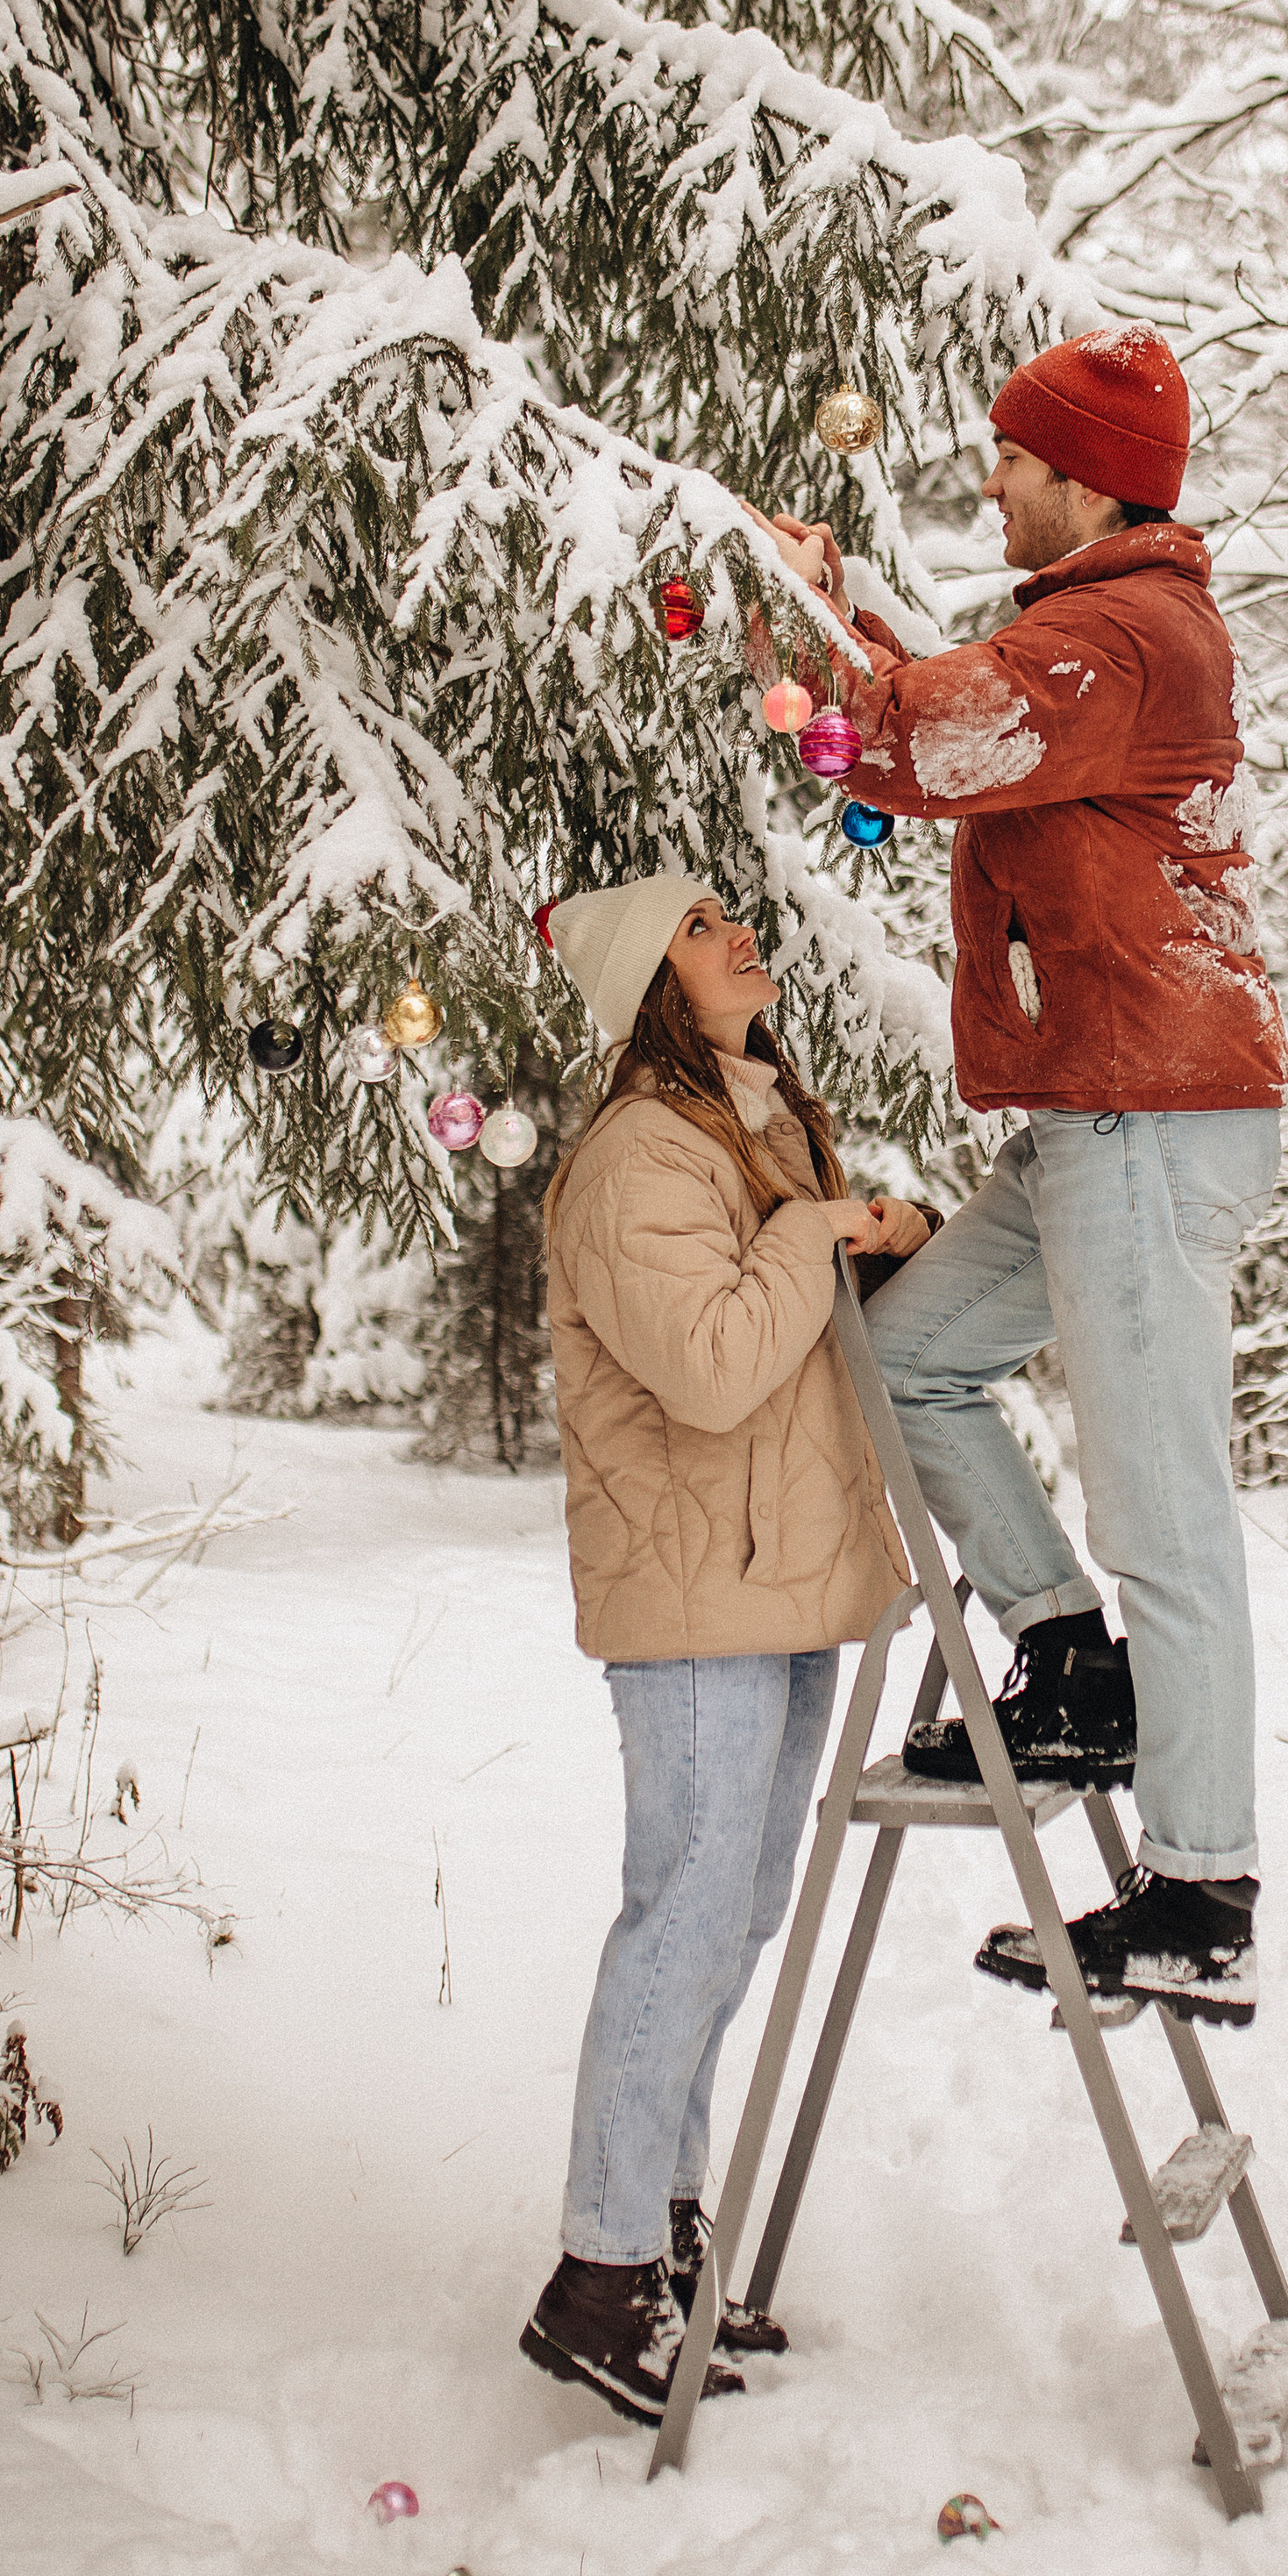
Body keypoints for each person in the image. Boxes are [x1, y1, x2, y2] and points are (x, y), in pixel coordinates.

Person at [750, 324, 1287, 2029]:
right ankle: (1066, 1663)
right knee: (903, 1356)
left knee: (1162, 1507)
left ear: (1085, 478)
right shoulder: (1088, 635)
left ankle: (1200, 1886)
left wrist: (791, 621)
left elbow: (910, 745)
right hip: (1095, 1112)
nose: (987, 478)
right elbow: (949, 703)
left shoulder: (1120, 634)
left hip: (1144, 1111)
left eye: (1010, 458)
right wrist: (836, 606)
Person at [518, 869, 931, 2421]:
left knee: (734, 1914)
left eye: (731, 915)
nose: (737, 933)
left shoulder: (756, 1133)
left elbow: (820, 1308)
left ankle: (666, 2235)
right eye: (697, 928)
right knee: (681, 1911)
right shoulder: (637, 1158)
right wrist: (827, 1225)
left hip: (789, 1579)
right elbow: (707, 1369)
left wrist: (887, 1229)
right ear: (647, 985)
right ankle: (601, 2273)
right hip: (697, 1596)